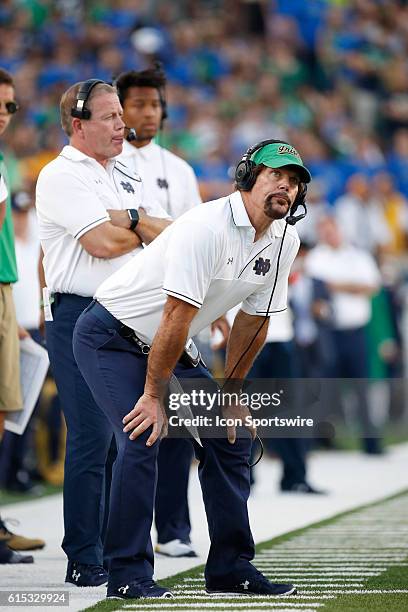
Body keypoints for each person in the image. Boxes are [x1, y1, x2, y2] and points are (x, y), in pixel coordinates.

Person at [72, 139, 311, 599]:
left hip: (167, 343)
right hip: (111, 337)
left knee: (229, 435)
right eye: (275, 174)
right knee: (143, 435)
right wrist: (152, 394)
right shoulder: (205, 225)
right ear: (247, 178)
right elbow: (175, 317)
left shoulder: (287, 239)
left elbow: (254, 320)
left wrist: (233, 396)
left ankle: (230, 567)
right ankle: (127, 573)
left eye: (295, 180)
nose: (287, 185)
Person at [35, 79, 171, 586]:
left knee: (132, 435)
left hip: (129, 314)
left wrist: (131, 220)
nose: (123, 125)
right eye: (111, 117)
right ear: (79, 124)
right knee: (93, 437)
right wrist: (138, 223)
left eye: (121, 116)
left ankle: (121, 554)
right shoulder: (59, 174)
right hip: (77, 314)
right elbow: (102, 243)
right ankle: (84, 556)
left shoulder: (126, 169)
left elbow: (168, 233)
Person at [115, 65, 203, 558]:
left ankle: (172, 529)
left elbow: (195, 238)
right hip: (122, 305)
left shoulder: (180, 170)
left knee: (176, 422)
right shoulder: (108, 162)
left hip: (172, 307)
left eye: (154, 104)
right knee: (124, 427)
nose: (148, 112)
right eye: (139, 104)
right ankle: (117, 535)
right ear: (118, 108)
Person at [0, 67, 44, 562]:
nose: (4, 114)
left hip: (14, 304)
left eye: (10, 106)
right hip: (5, 301)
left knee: (11, 409)